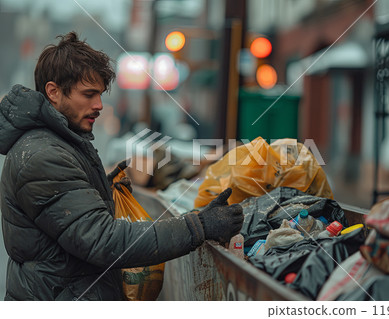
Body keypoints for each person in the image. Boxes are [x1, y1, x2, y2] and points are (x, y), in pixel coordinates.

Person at [0, 32, 244, 301]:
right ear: (53, 92)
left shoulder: (58, 143)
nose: (99, 105)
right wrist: (197, 227)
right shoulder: (43, 155)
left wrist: (102, 187)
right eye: (89, 94)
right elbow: (102, 239)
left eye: (101, 95)